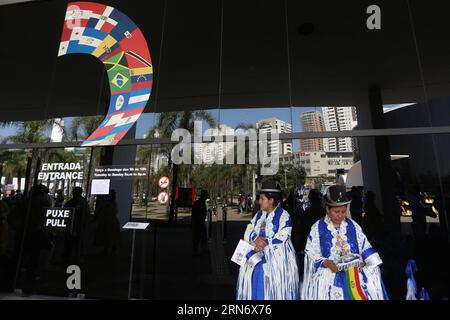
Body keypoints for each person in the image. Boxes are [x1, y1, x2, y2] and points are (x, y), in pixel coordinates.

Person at [301, 185, 389, 300]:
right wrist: (326, 262)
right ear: (327, 209)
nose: (340, 215)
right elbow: (311, 253)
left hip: (356, 275)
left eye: (343, 211)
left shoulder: (353, 226)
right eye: (336, 211)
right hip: (329, 276)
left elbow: (365, 246)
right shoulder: (317, 228)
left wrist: (367, 261)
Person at [236, 181, 299, 300]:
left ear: (271, 200)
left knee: (262, 275)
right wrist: (256, 238)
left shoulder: (284, 216)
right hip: (255, 254)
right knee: (250, 274)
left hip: (276, 261)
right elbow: (249, 229)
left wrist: (263, 244)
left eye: (262, 198)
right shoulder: (259, 214)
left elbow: (283, 236)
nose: (259, 201)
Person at [63, 187, 90, 262]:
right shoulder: (84, 202)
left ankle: (69, 256)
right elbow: (87, 215)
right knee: (77, 242)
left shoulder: (71, 202)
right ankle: (76, 256)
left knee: (72, 242)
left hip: (74, 225)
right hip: (77, 225)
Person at [94, 190, 120, 255]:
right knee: (108, 236)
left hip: (109, 222)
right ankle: (109, 248)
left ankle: (109, 248)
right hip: (109, 221)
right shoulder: (109, 203)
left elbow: (112, 211)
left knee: (109, 236)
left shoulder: (110, 203)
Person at [191, 189, 209, 256]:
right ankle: (197, 252)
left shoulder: (199, 202)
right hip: (198, 223)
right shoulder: (199, 203)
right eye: (206, 195)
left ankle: (199, 251)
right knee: (198, 238)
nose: (207, 196)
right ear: (203, 195)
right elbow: (195, 214)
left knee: (200, 238)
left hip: (199, 223)